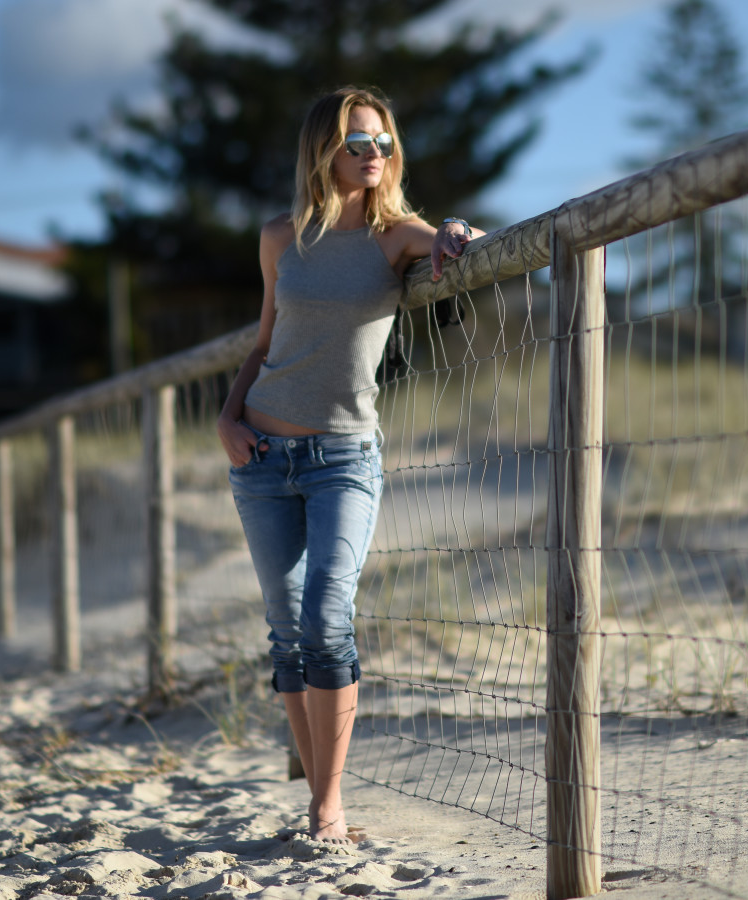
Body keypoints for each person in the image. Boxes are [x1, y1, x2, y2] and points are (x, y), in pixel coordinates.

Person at [216, 86, 484, 845]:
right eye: (358, 143)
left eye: (384, 144)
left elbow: (449, 240)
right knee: (287, 633)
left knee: (328, 622)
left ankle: (327, 807)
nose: (374, 156)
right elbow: (266, 341)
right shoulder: (280, 238)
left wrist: (458, 230)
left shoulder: (393, 236)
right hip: (262, 456)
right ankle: (320, 792)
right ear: (322, 151)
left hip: (343, 458)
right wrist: (227, 415)